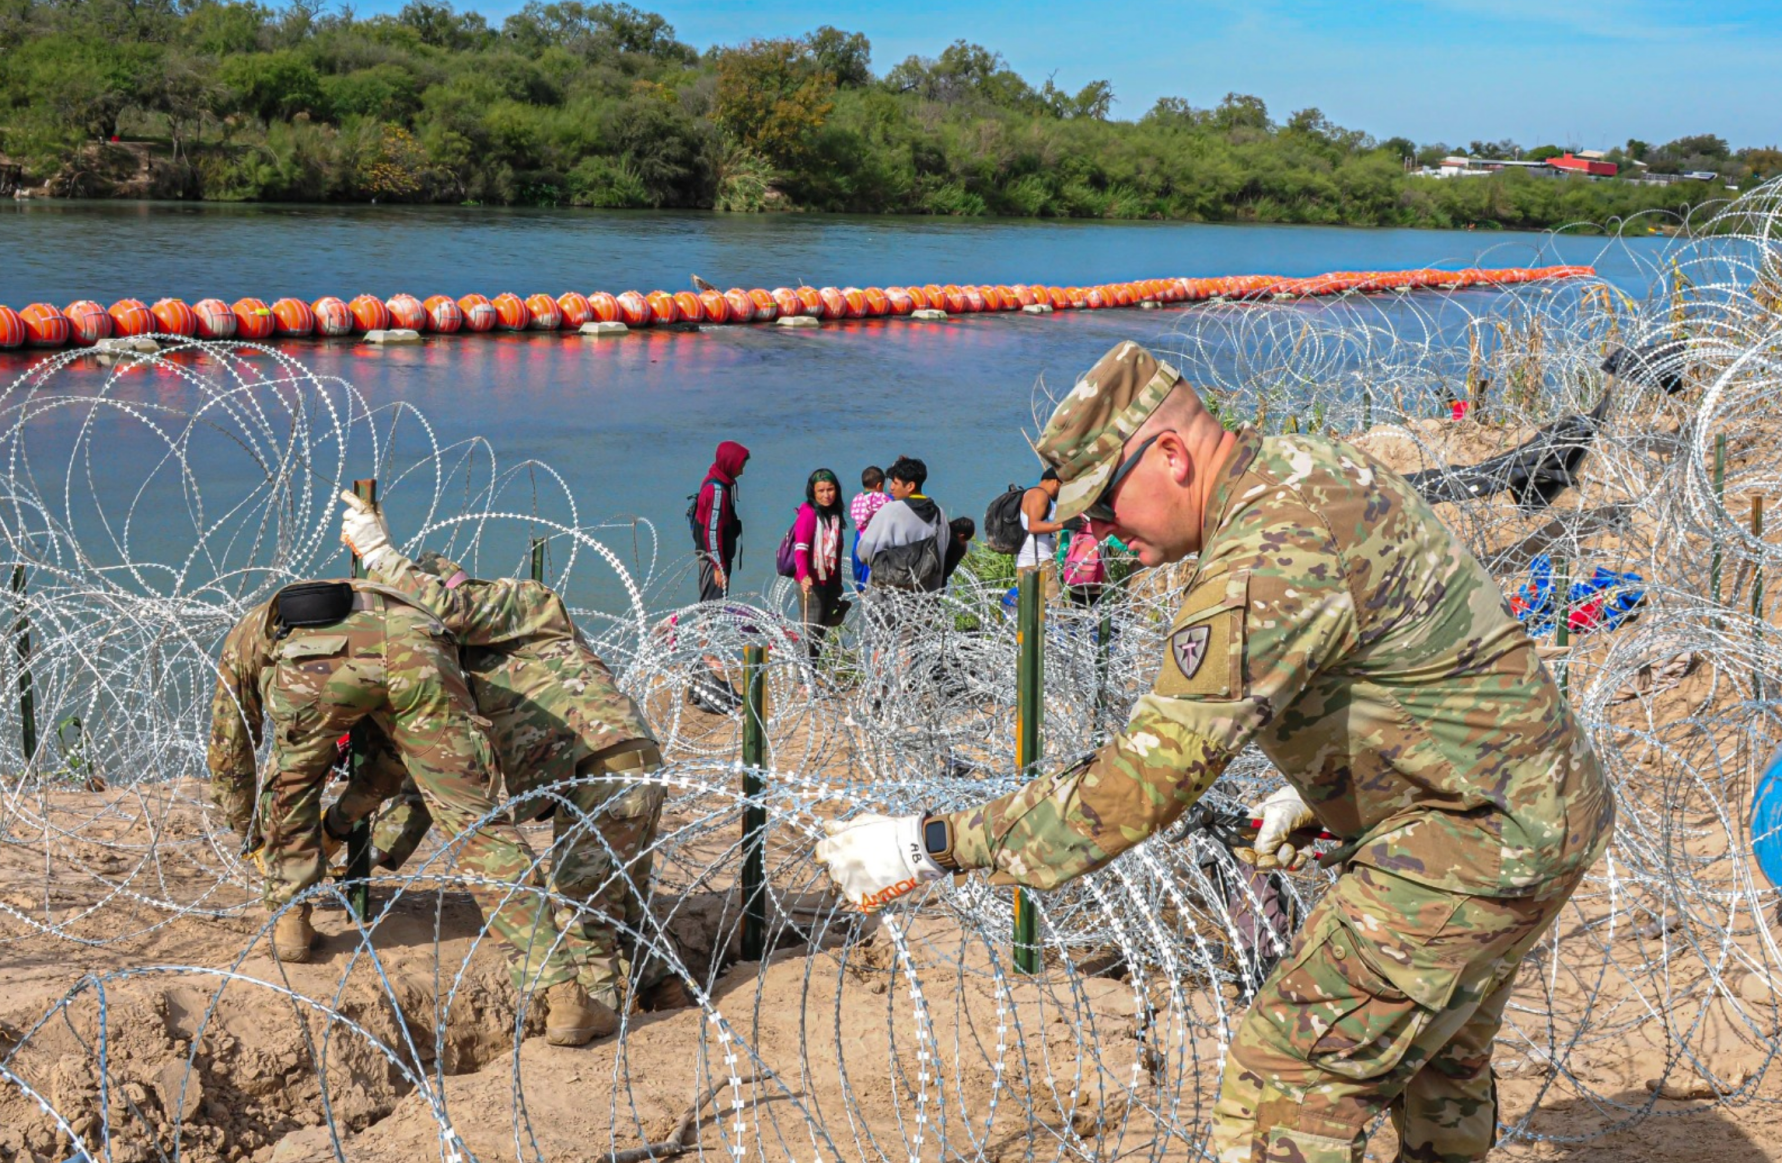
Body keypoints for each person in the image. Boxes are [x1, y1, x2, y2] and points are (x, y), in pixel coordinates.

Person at [814, 340, 1615, 1163]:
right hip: (1542, 805)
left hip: (1469, 838)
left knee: (1280, 1085)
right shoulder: (1306, 468)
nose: (1100, 532)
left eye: (1103, 507)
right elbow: (1431, 655)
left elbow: (1137, 784)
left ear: (1171, 455)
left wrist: (933, 842)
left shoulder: (1258, 558)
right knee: (1438, 1065)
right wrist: (1325, 791)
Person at [207, 578, 609, 1047]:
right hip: (418, 648)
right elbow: (391, 765)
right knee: (474, 822)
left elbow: (230, 749)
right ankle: (563, 995)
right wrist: (340, 822)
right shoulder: (385, 604)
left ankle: (292, 918)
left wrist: (251, 836)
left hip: (310, 663)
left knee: (291, 784)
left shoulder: (252, 632)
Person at [329, 504, 690, 1016]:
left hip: (606, 769)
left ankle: (604, 1027)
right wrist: (368, 853)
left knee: (580, 906)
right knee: (618, 896)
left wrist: (381, 555)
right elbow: (429, 781)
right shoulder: (452, 670)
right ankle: (663, 989)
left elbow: (450, 610)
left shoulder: (527, 603)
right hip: (612, 772)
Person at [855, 456, 948, 592]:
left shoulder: (890, 510)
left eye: (895, 483)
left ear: (910, 486)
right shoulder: (940, 514)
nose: (891, 488)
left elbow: (864, 551)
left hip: (888, 598)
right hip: (924, 596)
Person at [793, 468, 850, 667]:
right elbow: (800, 549)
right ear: (813, 493)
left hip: (830, 582)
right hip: (812, 583)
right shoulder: (808, 514)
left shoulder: (834, 515)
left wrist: (838, 584)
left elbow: (837, 553)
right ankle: (802, 679)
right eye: (821, 491)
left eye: (830, 489)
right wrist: (804, 576)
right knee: (810, 633)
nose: (826, 495)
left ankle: (811, 674)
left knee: (820, 633)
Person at [692, 440, 749, 603]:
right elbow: (712, 532)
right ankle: (705, 629)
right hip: (713, 559)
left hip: (711, 556)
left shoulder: (717, 479)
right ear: (729, 464)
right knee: (713, 608)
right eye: (740, 466)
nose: (742, 472)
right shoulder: (717, 492)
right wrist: (719, 566)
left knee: (712, 605)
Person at [1018, 467, 1065, 600]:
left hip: (1035, 561)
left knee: (1037, 614)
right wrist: (1064, 525)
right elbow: (1033, 526)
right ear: (1056, 482)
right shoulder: (1039, 495)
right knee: (1057, 612)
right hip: (1038, 562)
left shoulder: (1034, 494)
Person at [850, 466, 889, 590]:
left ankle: (860, 587)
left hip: (861, 534)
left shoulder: (857, 498)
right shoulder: (880, 497)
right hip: (876, 537)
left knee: (860, 564)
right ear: (879, 485)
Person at [941, 516, 976, 587]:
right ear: (961, 535)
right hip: (936, 583)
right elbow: (947, 571)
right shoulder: (957, 545)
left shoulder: (940, 528)